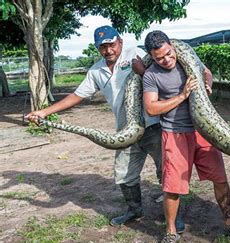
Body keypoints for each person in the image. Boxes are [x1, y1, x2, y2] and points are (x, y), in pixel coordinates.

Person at [25, 25, 181, 229]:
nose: (108, 50)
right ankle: (134, 210)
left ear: (120, 42)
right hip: (126, 130)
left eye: (111, 45)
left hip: (154, 125)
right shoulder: (96, 70)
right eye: (103, 47)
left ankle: (173, 216)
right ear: (98, 48)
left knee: (167, 170)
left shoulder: (136, 54)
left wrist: (142, 72)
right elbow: (77, 95)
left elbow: (162, 73)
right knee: (124, 172)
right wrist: (45, 112)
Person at [142, 30, 230, 243]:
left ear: (172, 46)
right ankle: (171, 232)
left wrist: (207, 83)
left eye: (169, 54)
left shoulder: (186, 58)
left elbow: (205, 71)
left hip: (203, 130)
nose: (167, 60)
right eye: (160, 58)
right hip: (175, 133)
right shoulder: (151, 75)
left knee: (220, 178)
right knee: (172, 187)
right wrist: (182, 96)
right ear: (151, 56)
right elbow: (151, 108)